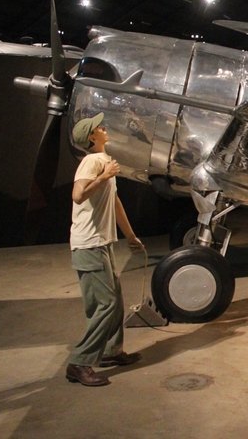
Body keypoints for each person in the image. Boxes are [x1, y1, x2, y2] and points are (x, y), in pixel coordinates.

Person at [65, 113, 144, 387]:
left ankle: (112, 351)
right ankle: (80, 362)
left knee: (114, 299)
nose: (104, 128)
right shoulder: (92, 161)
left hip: (101, 243)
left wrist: (131, 236)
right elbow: (77, 195)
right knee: (106, 303)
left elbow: (115, 202)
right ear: (91, 137)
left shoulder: (103, 161)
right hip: (90, 244)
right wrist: (104, 176)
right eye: (99, 127)